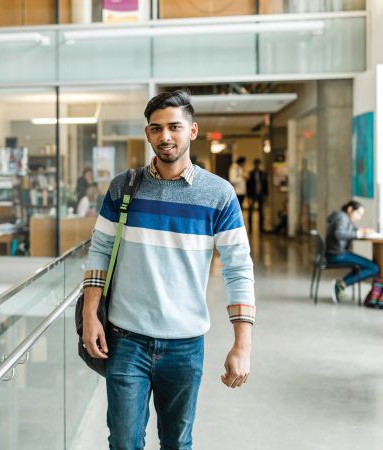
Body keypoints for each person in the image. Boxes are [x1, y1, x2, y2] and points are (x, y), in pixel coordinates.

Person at [81, 90, 255, 450]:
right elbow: (99, 249)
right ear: (148, 134)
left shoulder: (218, 195)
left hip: (185, 344)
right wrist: (90, 315)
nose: (165, 136)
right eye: (156, 128)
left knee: (177, 442)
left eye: (175, 127)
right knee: (124, 442)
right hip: (126, 339)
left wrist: (243, 344)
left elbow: (238, 269)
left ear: (192, 130)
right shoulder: (123, 188)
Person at [325, 200, 379, 303]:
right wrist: (358, 234)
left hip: (336, 252)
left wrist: (362, 230)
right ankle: (341, 284)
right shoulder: (342, 218)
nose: (359, 217)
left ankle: (342, 284)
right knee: (373, 268)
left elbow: (352, 229)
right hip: (337, 255)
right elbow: (339, 234)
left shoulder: (342, 217)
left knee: (369, 266)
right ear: (350, 210)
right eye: (358, 213)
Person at [246, 158, 268, 233]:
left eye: (258, 164)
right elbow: (248, 186)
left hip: (261, 194)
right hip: (252, 195)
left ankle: (261, 229)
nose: (257, 165)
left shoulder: (262, 173)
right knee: (250, 212)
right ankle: (250, 229)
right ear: (254, 164)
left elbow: (266, 185)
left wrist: (266, 195)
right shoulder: (251, 173)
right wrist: (249, 197)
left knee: (261, 212)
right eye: (256, 163)